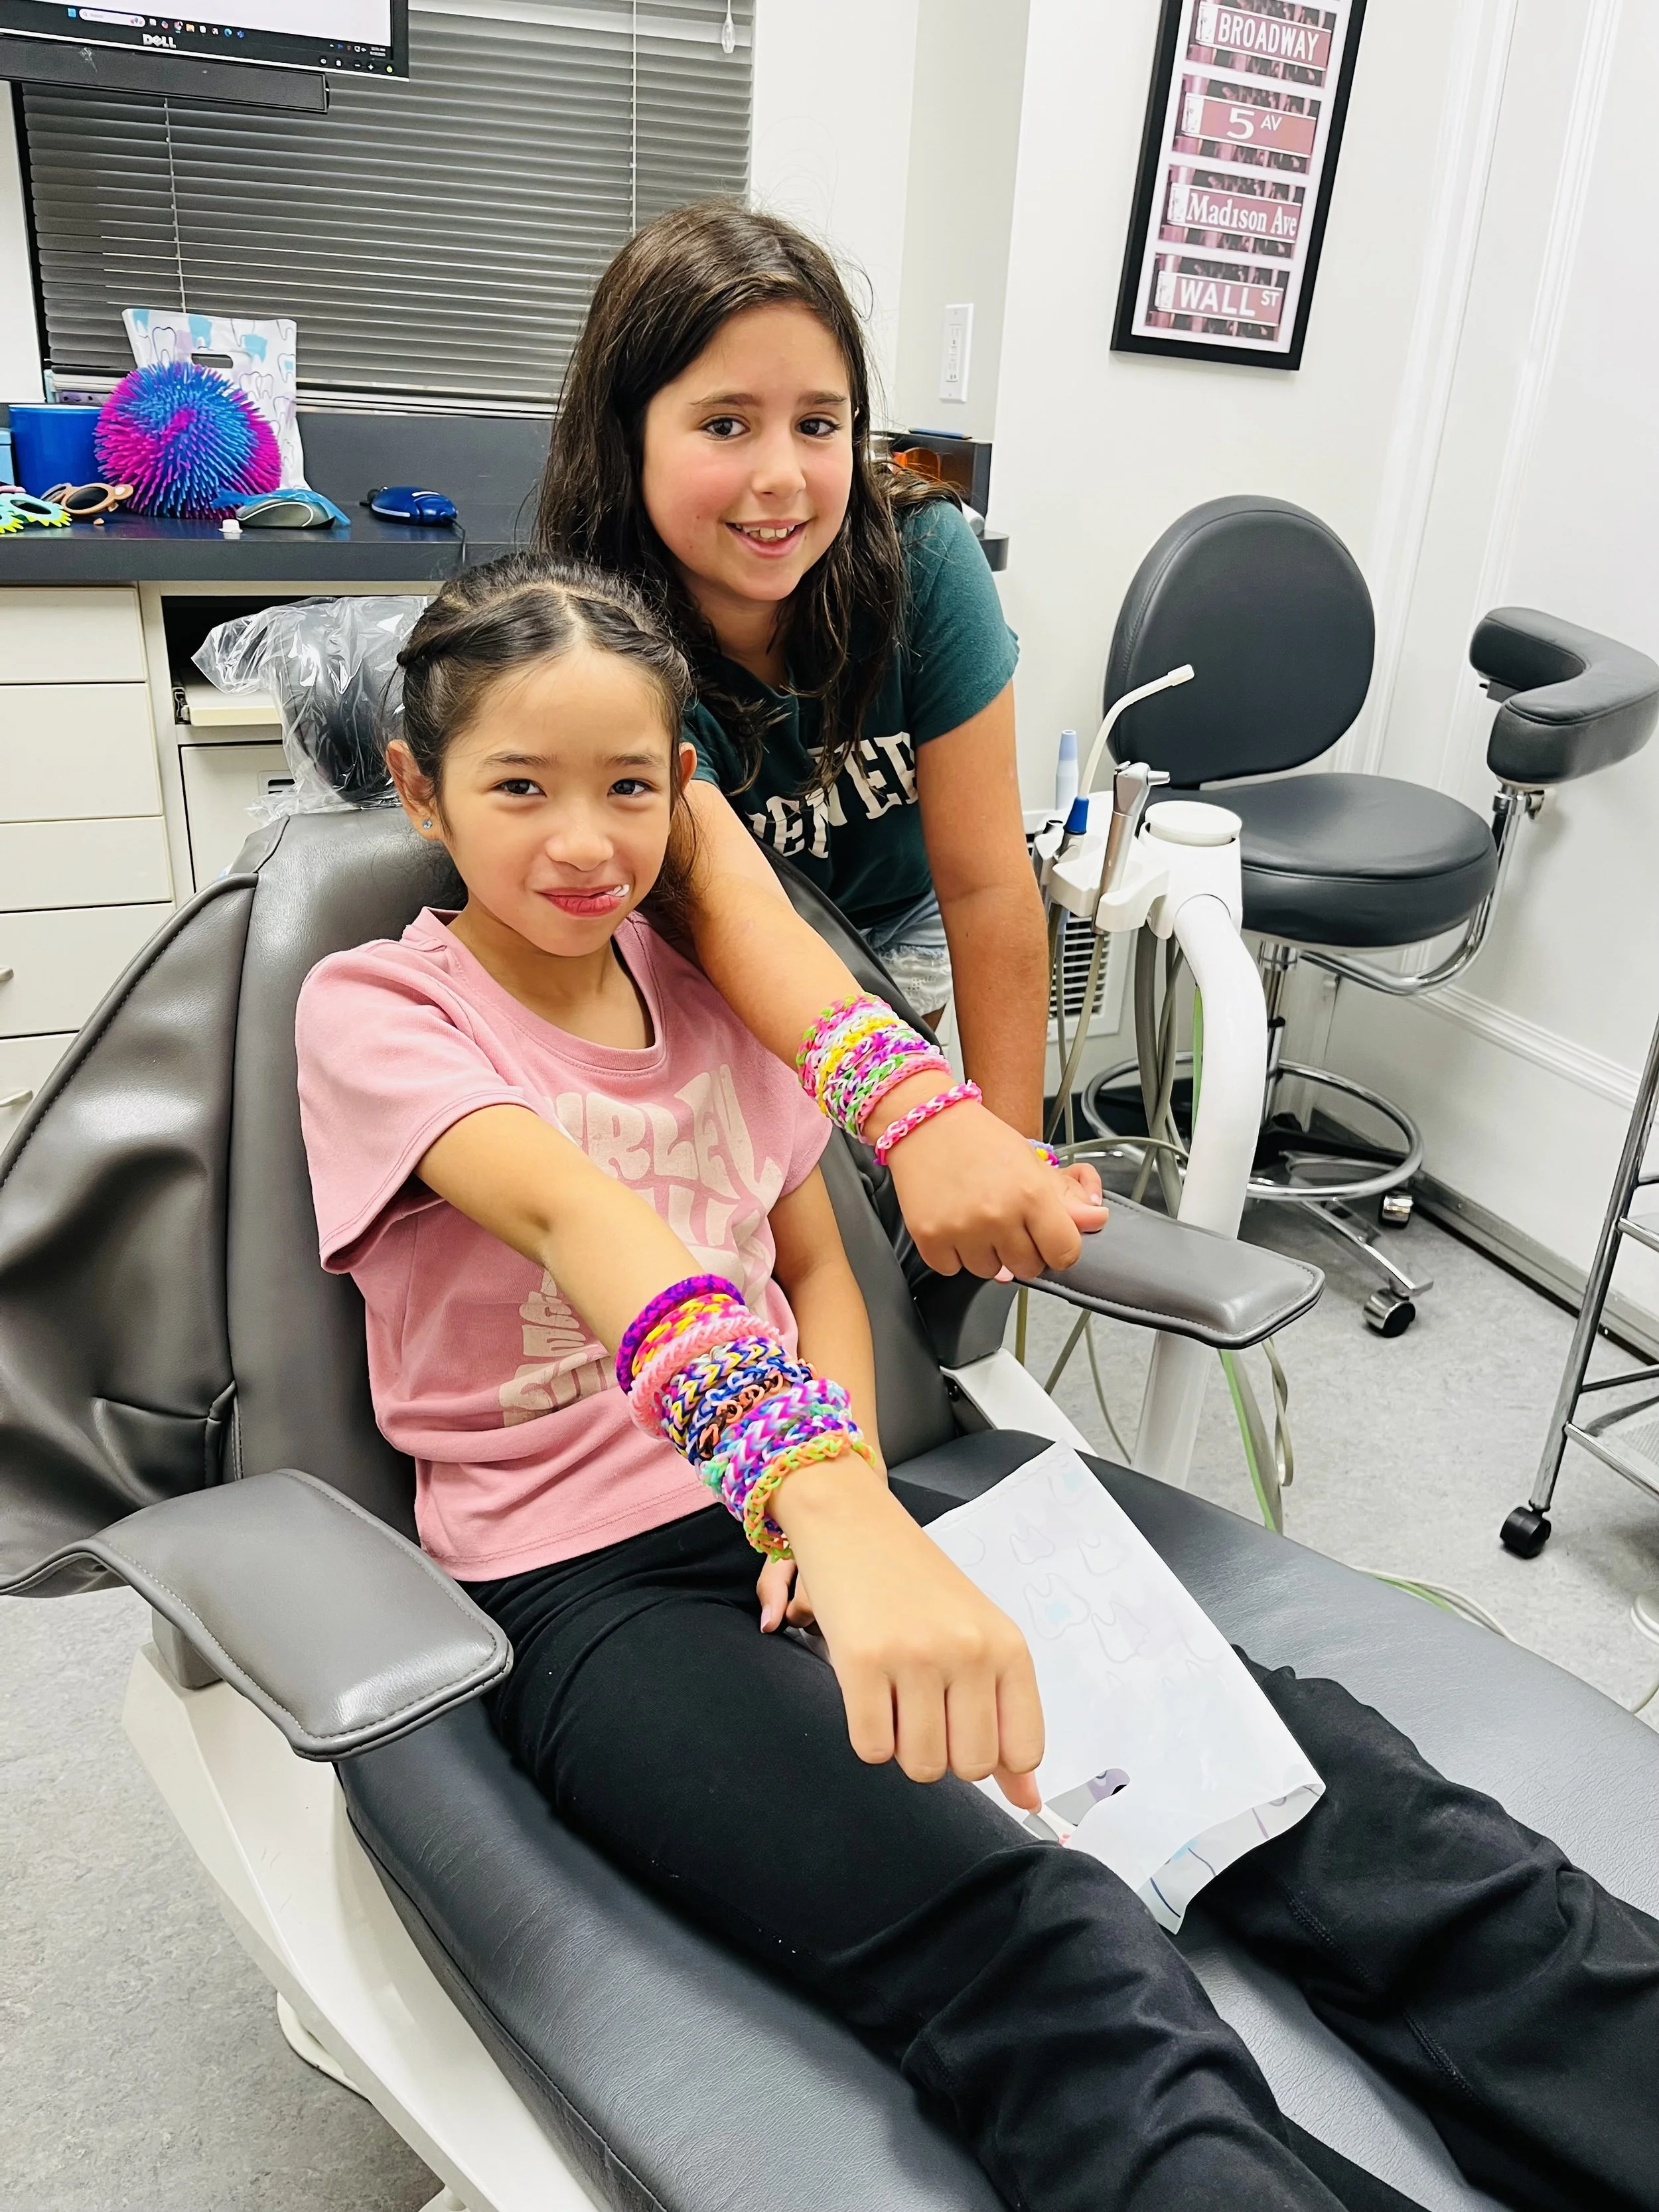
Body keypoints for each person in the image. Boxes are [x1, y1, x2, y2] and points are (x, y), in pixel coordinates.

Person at [296, 554, 1659, 2212]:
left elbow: (801, 1267)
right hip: (596, 1587)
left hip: (824, 1508)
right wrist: (827, 1502)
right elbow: (588, 1223)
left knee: (1326, 1790)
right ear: (418, 789)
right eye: (520, 787)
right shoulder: (376, 1011)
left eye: (630, 787)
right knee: (1049, 1946)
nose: (585, 841)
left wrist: (848, 1493)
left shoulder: (706, 991)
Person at [534, 199, 1094, 1275]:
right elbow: (729, 908)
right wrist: (920, 1112)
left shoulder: (925, 562)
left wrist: (1009, 1155)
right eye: (726, 424)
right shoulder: (598, 641)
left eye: (820, 423)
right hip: (706, 956)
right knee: (769, 1224)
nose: (784, 474)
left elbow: (984, 884)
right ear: (628, 433)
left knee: (887, 1233)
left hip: (895, 929)